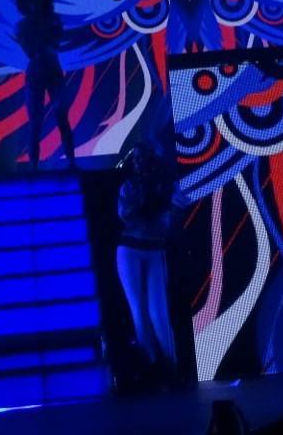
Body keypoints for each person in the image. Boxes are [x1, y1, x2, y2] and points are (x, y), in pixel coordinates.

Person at [116, 140, 178, 385]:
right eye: (136, 159)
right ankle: (152, 367)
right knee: (139, 311)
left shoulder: (164, 186)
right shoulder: (130, 187)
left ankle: (172, 366)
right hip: (131, 249)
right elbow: (126, 216)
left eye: (142, 158)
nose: (138, 163)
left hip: (153, 249)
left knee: (158, 312)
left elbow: (166, 224)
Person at [14, 0, 75, 171]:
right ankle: (34, 167)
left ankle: (71, 163)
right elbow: (31, 50)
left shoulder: (52, 20)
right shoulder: (24, 25)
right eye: (31, 0)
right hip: (37, 72)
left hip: (52, 71)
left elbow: (54, 43)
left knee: (61, 118)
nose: (35, 3)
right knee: (36, 122)